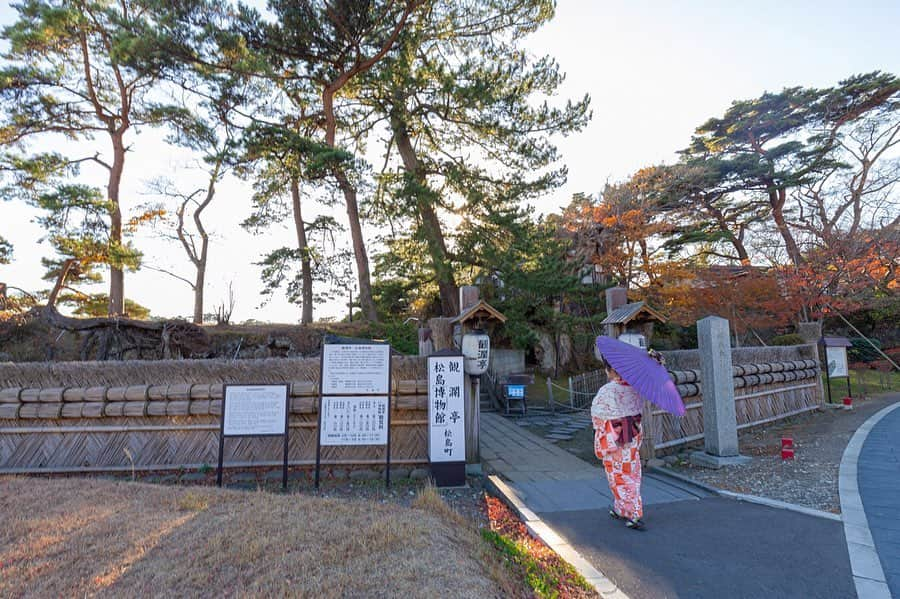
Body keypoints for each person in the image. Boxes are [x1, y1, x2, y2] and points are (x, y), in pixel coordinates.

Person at [591, 358, 646, 530]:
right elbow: (638, 411)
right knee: (631, 472)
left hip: (615, 438)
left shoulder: (608, 390)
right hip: (632, 434)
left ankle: (634, 512)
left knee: (618, 475)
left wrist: (603, 426)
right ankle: (622, 508)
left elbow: (597, 415)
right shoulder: (635, 388)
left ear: (611, 370)